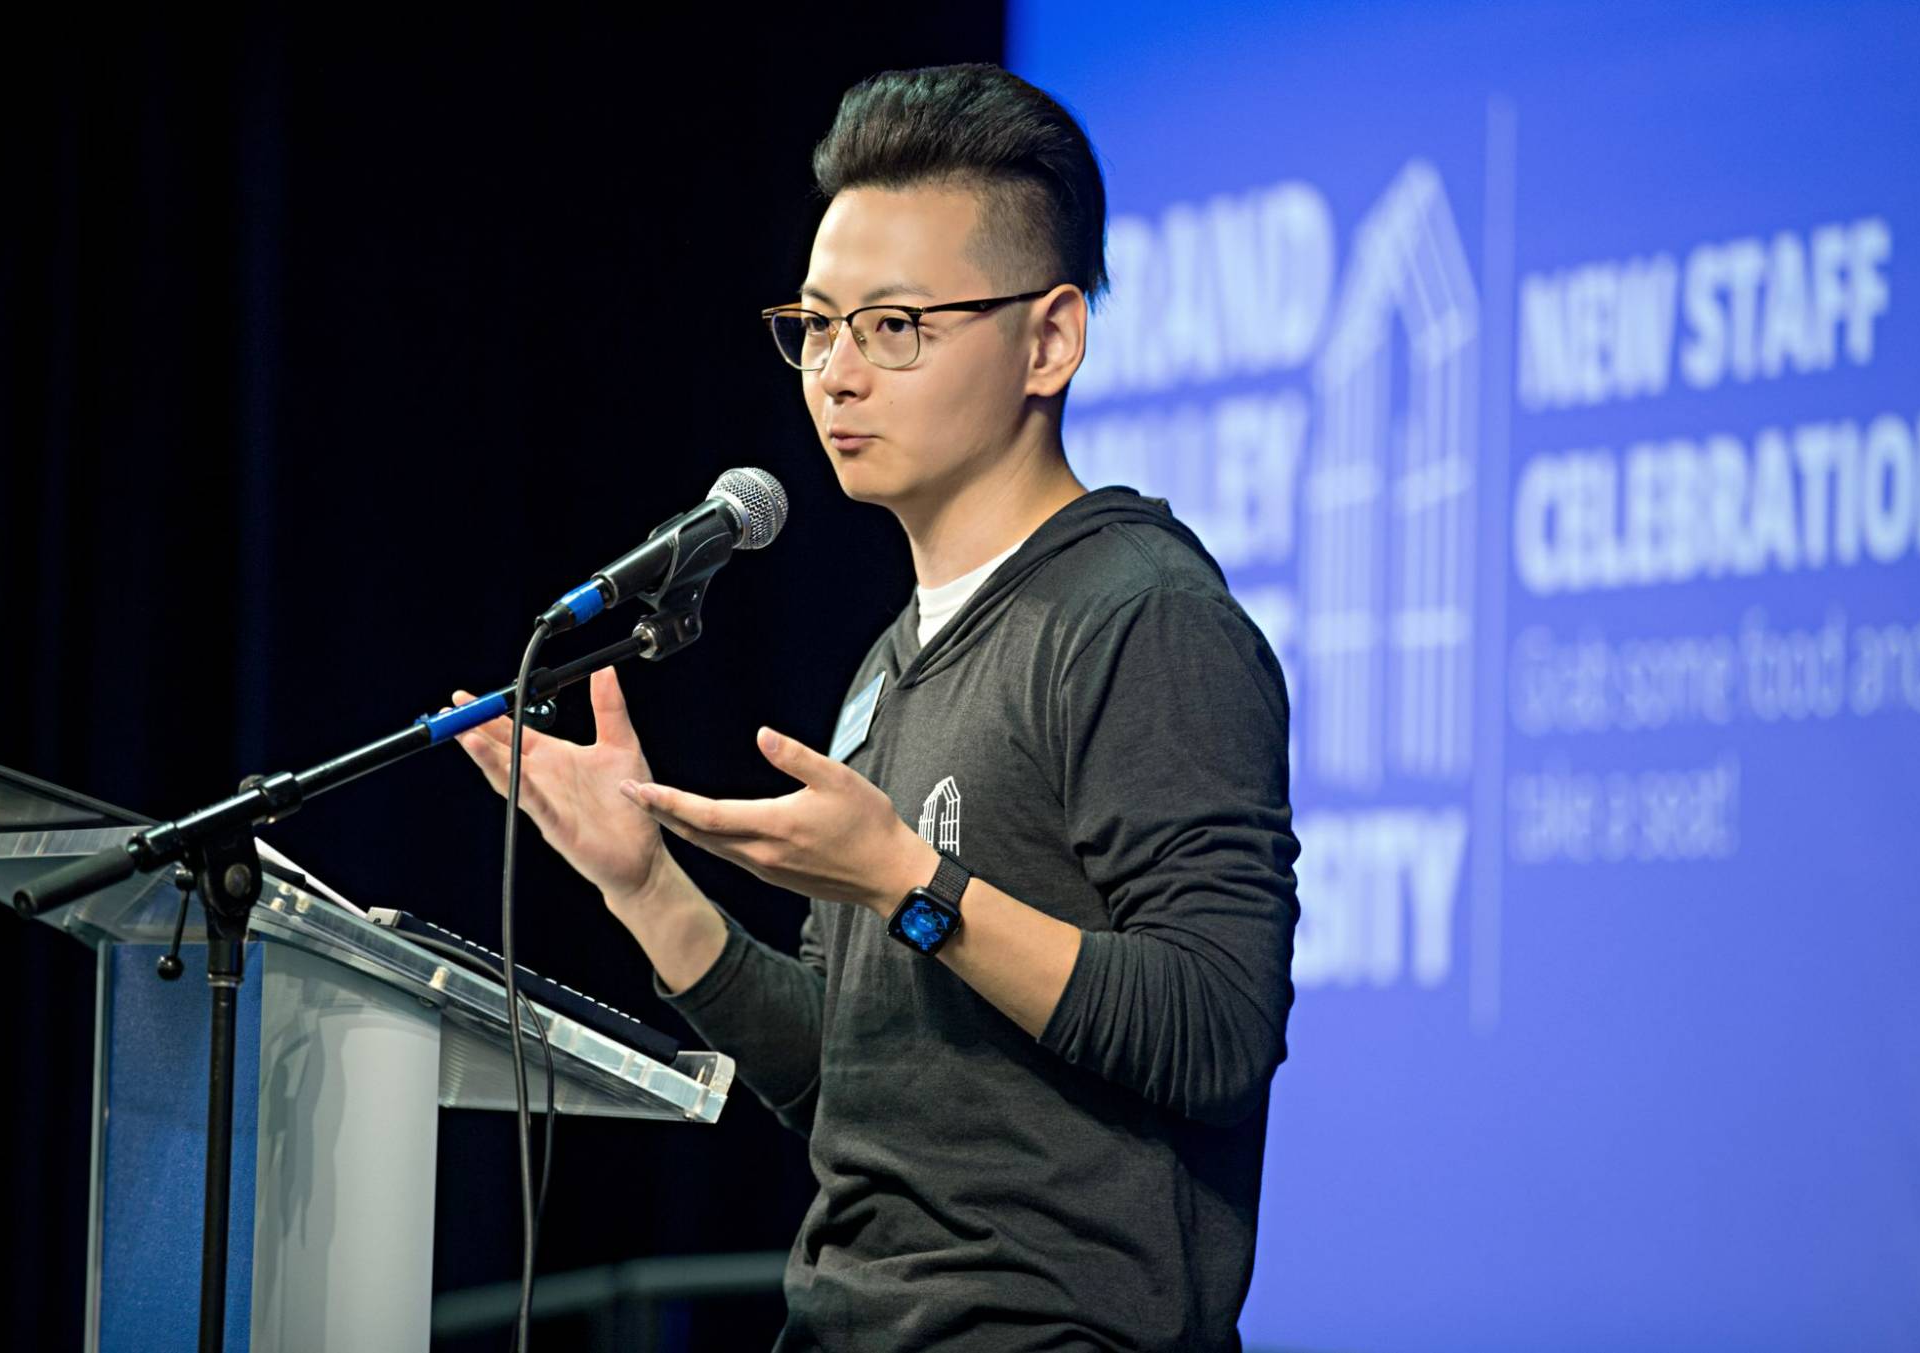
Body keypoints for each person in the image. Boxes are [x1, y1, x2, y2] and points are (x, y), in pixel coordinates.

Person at [454, 63, 1299, 1353]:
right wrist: (645, 886)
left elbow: (1218, 1028)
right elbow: (837, 1072)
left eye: (895, 326)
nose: (836, 375)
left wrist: (913, 881)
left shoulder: (1141, 615)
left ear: (1051, 339)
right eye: (817, 323)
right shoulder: (887, 666)